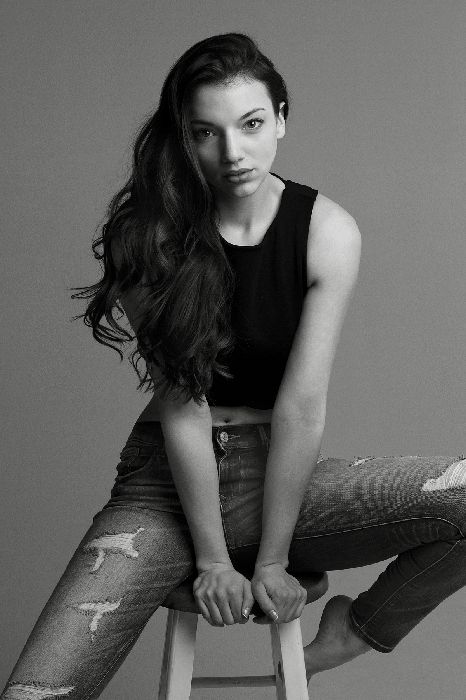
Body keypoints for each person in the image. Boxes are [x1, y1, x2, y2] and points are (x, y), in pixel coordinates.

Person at [2, 31, 465, 699]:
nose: (233, 152)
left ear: (281, 118)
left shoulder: (327, 231)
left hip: (283, 481)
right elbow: (182, 407)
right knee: (35, 692)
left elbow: (301, 407)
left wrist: (272, 559)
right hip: (166, 488)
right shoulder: (149, 238)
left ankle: (358, 631)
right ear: (184, 139)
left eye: (250, 124)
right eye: (206, 133)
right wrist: (214, 561)